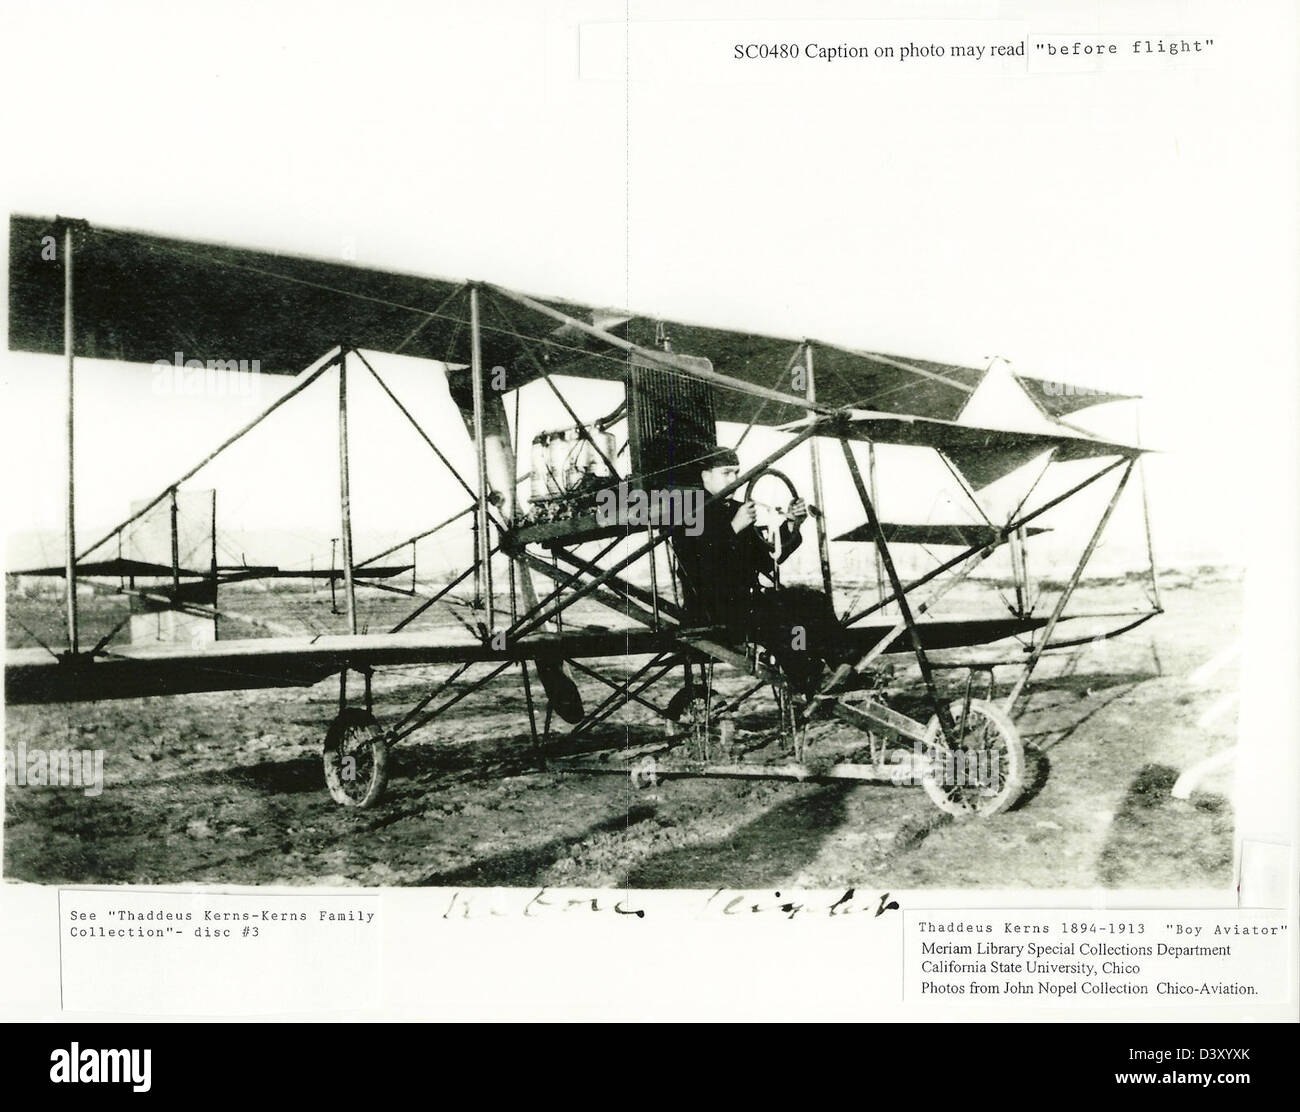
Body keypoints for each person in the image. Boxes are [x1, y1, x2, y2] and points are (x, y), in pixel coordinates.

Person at [671, 446, 843, 696]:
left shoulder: (736, 508)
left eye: (737, 473)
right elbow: (697, 565)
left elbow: (767, 556)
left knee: (811, 599)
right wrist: (734, 527)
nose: (735, 480)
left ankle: (843, 666)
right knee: (779, 618)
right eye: (727, 473)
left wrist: (792, 524)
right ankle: (808, 679)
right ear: (704, 475)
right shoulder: (688, 511)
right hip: (709, 607)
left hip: (744, 601)